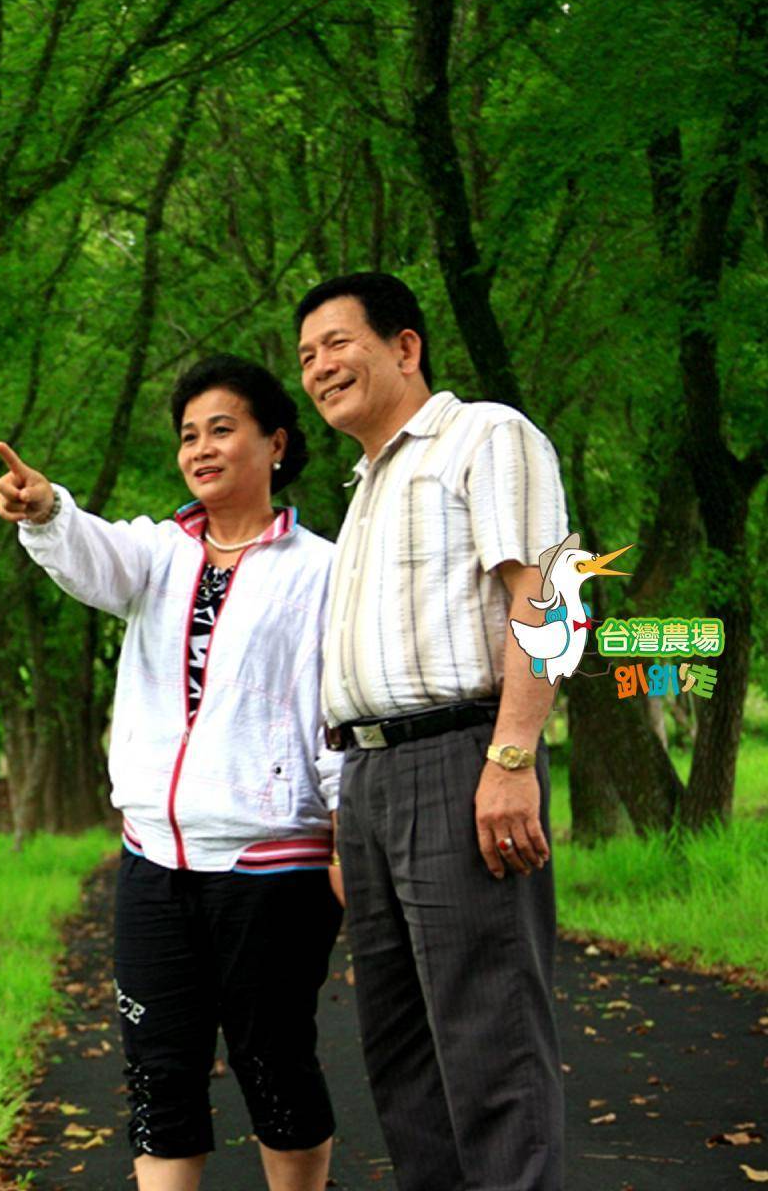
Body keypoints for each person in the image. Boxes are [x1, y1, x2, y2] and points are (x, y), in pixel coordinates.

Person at [0, 355, 343, 1191]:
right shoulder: (157, 553)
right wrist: (46, 512)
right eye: (189, 434)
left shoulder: (324, 569)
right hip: (153, 864)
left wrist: (348, 840)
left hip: (274, 869)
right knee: (160, 1070)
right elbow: (91, 553)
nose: (201, 447)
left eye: (223, 428)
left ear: (277, 442)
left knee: (275, 1065)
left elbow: (340, 711)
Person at [294, 271, 567, 1190]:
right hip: (370, 785)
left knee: (489, 1044)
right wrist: (346, 812)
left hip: (461, 761)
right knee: (403, 1057)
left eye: (337, 342)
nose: (320, 367)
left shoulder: (483, 436)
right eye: (305, 358)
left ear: (405, 346)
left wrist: (512, 760)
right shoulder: (369, 483)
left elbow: (548, 594)